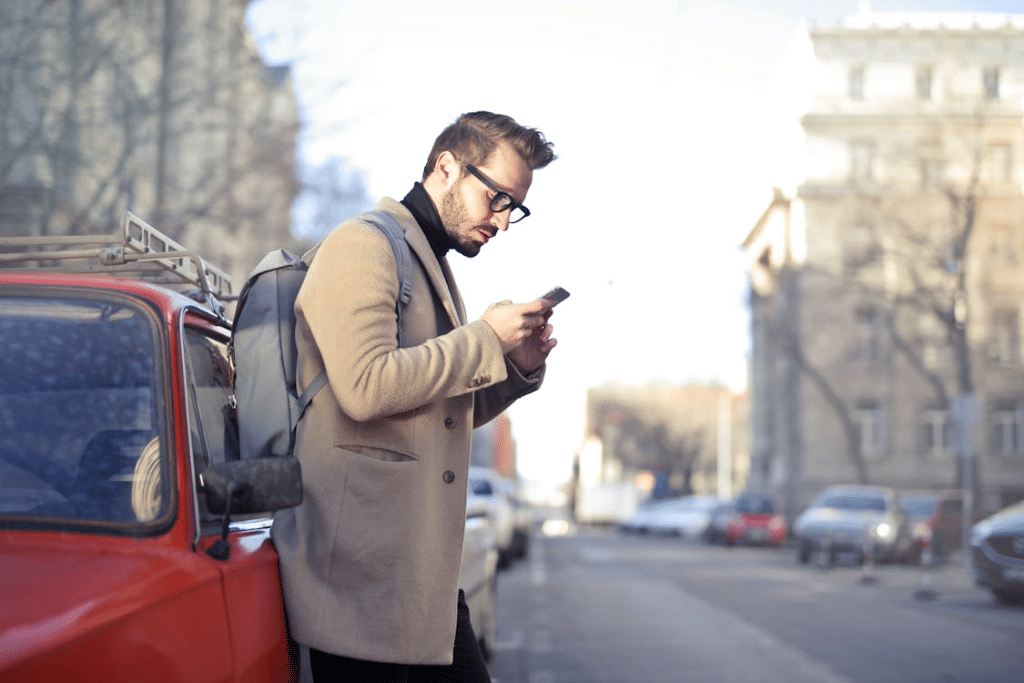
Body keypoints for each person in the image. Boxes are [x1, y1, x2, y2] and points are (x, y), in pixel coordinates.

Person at [272, 111, 558, 682]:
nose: (503, 223)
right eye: (497, 198)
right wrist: (483, 339)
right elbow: (366, 386)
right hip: (358, 583)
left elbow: (435, 411)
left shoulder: (428, 265)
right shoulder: (364, 244)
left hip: (414, 578)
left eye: (515, 209)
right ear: (447, 167)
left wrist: (513, 370)